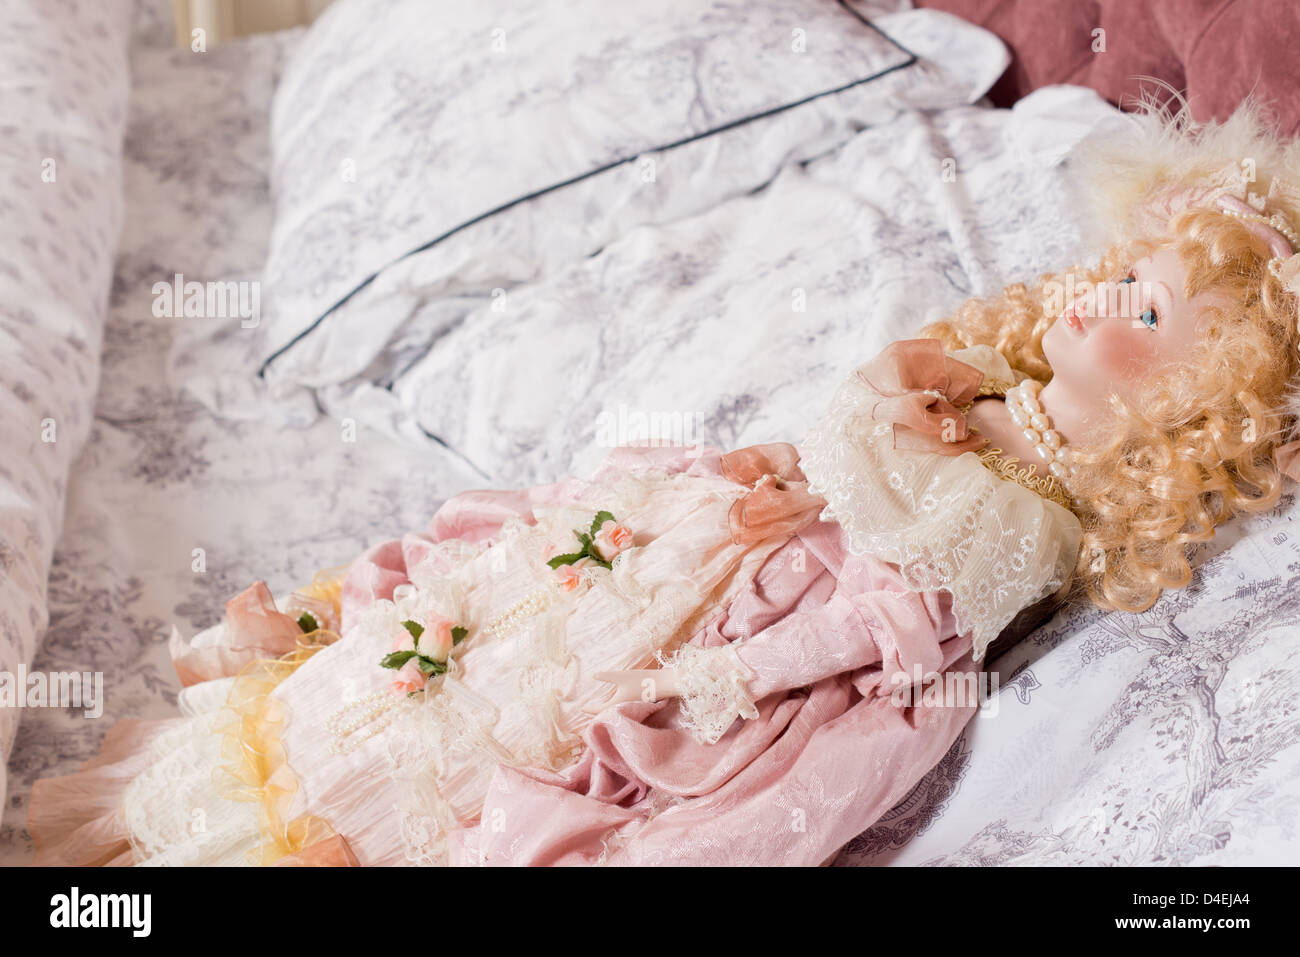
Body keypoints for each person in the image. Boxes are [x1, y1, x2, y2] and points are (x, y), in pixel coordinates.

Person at [28, 102, 1300, 866]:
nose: (1094, 291)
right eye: (1119, 267)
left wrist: (726, 672)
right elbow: (855, 415)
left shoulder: (1025, 512)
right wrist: (887, 405)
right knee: (475, 641)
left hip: (745, 640)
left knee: (538, 733)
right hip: (695, 547)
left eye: (1139, 305)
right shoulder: (978, 390)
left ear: (1189, 399)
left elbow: (890, 618)